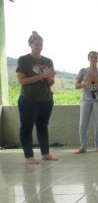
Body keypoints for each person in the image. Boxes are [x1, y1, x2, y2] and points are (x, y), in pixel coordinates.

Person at [16, 31, 58, 164]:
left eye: (41, 44)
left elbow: (51, 82)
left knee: (43, 126)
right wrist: (42, 76)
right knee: (26, 127)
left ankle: (45, 153)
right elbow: (22, 81)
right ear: (30, 44)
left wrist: (50, 76)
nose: (39, 46)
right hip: (28, 100)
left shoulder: (48, 61)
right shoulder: (23, 60)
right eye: (36, 44)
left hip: (46, 100)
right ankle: (29, 156)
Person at [75, 51, 98, 153]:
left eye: (95, 57)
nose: (93, 59)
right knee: (82, 124)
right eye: (91, 57)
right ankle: (83, 146)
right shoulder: (83, 71)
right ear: (88, 59)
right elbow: (76, 86)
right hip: (86, 99)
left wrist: (95, 79)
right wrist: (87, 82)